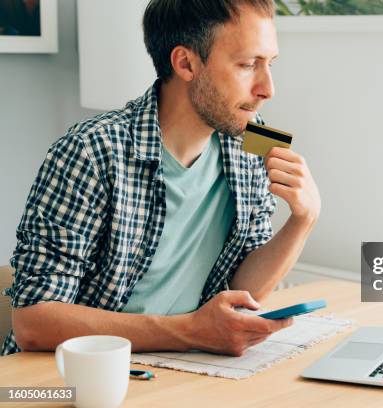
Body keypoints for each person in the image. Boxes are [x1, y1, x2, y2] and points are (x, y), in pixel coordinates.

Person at [1, 0, 320, 356]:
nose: (267, 88)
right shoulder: (91, 152)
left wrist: (302, 221)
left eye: (270, 64)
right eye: (248, 65)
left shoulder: (252, 139)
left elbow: (242, 292)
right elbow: (33, 321)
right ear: (185, 63)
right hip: (74, 376)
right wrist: (191, 331)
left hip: (176, 367)